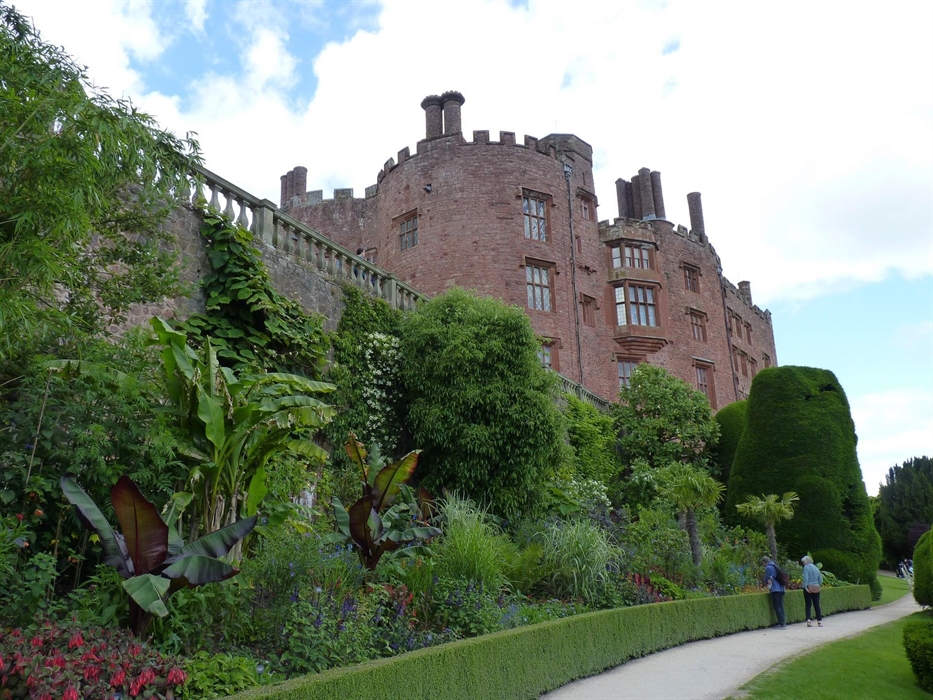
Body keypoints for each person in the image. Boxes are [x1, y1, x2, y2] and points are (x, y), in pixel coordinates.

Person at [762, 555, 786, 629]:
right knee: (781, 605)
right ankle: (783, 622)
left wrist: (765, 582)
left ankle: (782, 624)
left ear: (764, 562)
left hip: (775, 589)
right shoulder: (775, 565)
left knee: (777, 606)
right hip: (781, 588)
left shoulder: (769, 567)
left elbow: (767, 578)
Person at [801, 555, 823, 627]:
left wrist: (805, 587)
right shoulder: (816, 568)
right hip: (816, 588)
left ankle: (808, 620)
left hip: (808, 588)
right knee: (816, 604)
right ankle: (819, 621)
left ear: (806, 561)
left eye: (803, 562)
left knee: (808, 605)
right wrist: (818, 585)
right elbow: (820, 580)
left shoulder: (806, 567)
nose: (803, 564)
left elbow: (805, 578)